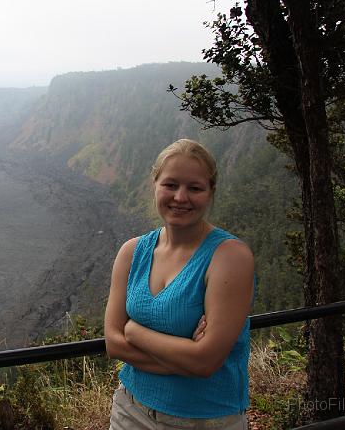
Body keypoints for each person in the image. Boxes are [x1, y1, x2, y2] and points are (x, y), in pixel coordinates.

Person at [104, 138, 254, 429]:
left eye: (194, 188)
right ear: (155, 184)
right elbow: (113, 344)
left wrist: (134, 332)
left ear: (211, 192)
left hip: (205, 419)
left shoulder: (229, 257)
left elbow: (205, 363)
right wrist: (186, 357)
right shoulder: (132, 252)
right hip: (130, 411)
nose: (180, 197)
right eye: (171, 185)